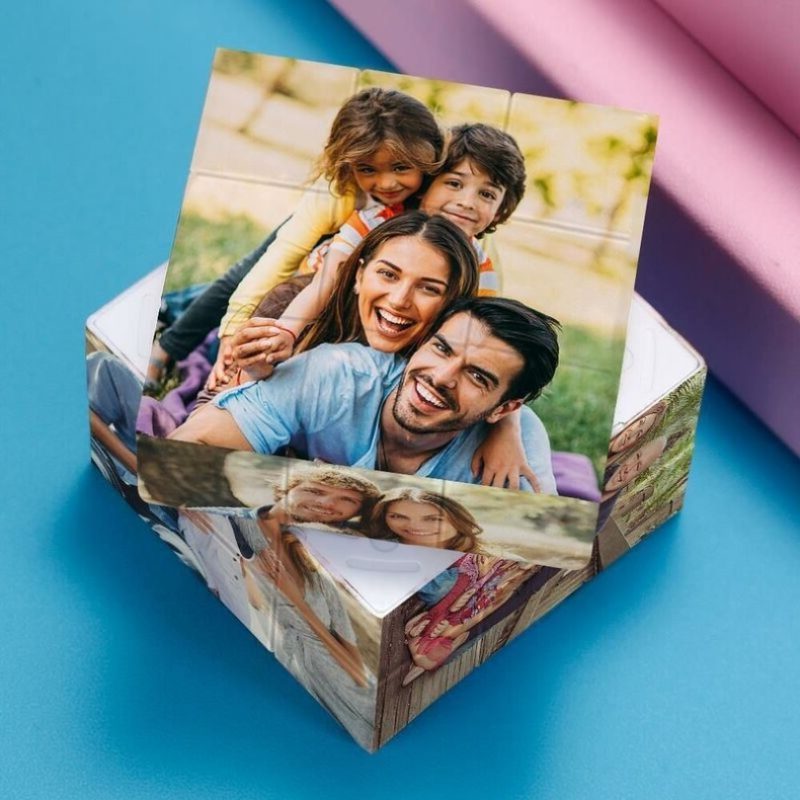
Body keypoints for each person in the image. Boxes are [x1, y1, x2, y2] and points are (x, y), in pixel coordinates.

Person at [147, 86, 444, 388]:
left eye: (401, 167)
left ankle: (175, 304)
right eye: (367, 169)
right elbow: (274, 265)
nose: (386, 182)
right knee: (246, 275)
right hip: (325, 240)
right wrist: (233, 332)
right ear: (345, 163)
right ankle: (164, 349)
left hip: (361, 271)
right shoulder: (335, 196)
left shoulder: (437, 198)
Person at [169, 293, 560, 493]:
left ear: (505, 406)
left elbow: (533, 570)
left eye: (477, 376)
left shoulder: (516, 450)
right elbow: (186, 450)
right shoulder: (337, 375)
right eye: (442, 348)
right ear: (421, 342)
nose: (441, 376)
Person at [246, 123, 526, 371]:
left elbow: (474, 333)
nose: (467, 202)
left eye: (487, 194)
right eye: (454, 183)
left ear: (500, 212)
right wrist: (288, 331)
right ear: (425, 185)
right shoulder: (373, 222)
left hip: (395, 337)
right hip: (318, 310)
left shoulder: (481, 268)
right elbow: (325, 281)